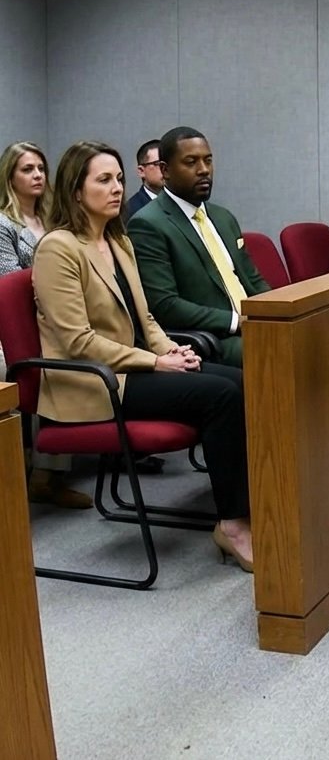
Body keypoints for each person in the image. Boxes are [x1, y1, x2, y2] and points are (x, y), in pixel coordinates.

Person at [32, 140, 253, 569]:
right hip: (91, 380)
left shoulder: (118, 241)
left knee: (238, 380)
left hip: (132, 367)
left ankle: (248, 502)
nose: (116, 188)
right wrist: (156, 362)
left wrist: (172, 349)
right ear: (76, 190)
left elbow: (146, 318)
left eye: (118, 179)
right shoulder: (58, 248)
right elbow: (77, 341)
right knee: (221, 396)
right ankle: (232, 524)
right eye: (103, 180)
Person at [128, 127, 269, 367]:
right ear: (165, 170)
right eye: (191, 162)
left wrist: (278, 311)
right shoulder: (148, 224)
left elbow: (253, 280)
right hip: (213, 339)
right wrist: (236, 321)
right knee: (284, 351)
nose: (204, 170)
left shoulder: (223, 217)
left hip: (253, 326)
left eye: (208, 160)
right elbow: (165, 305)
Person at [0, 140, 92, 509]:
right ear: (9, 176)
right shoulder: (3, 224)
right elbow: (9, 284)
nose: (38, 175)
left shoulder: (53, 218)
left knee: (77, 353)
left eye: (41, 168)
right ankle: (45, 474)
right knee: (55, 368)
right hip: (12, 330)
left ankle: (49, 473)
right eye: (27, 169)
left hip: (51, 320)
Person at [124, 139, 164, 222]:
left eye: (169, 163)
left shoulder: (182, 200)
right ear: (141, 171)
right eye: (158, 164)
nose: (166, 168)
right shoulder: (131, 212)